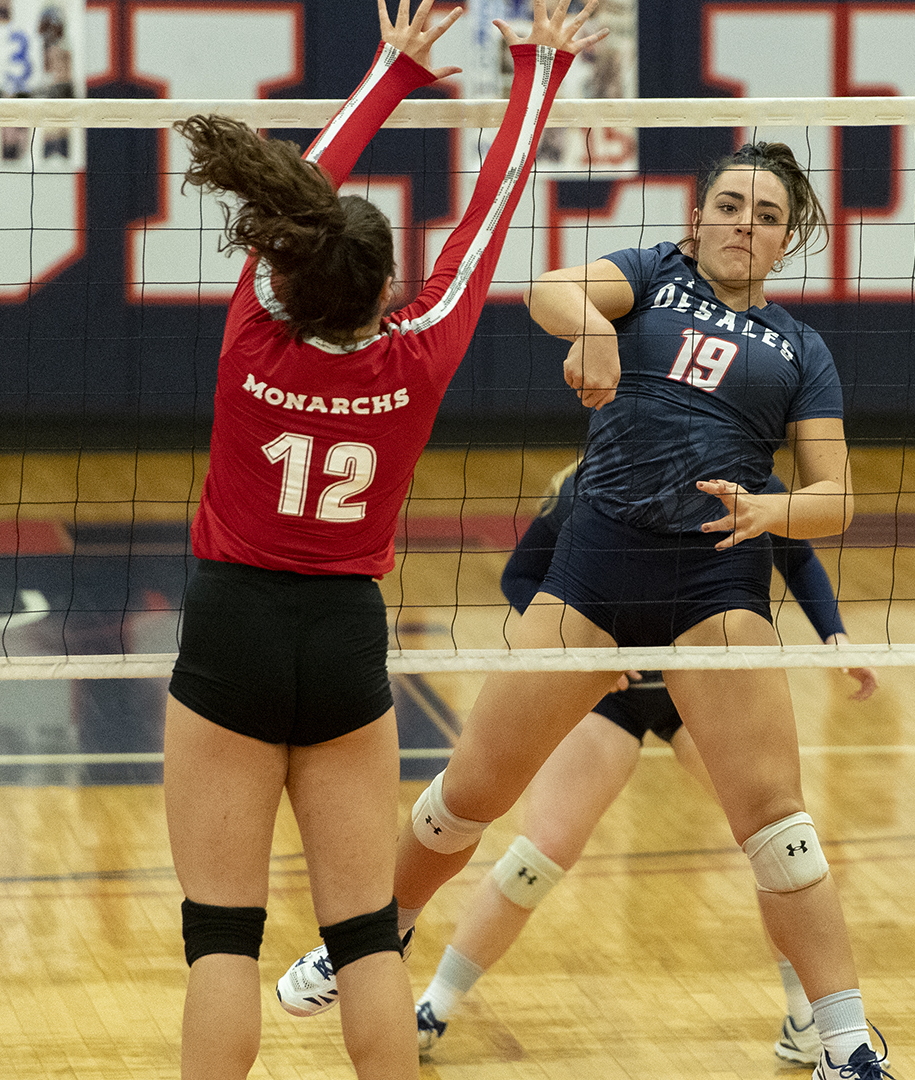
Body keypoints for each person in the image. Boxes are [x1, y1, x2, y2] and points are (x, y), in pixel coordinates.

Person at [279, 141, 896, 1078]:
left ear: (788, 242)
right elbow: (547, 289)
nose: (745, 224)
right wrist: (597, 331)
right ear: (698, 216)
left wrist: (774, 513)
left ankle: (846, 1047)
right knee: (469, 795)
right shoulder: (649, 274)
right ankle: (368, 939)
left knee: (781, 830)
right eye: (731, 205)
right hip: (594, 570)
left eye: (768, 216)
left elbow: (836, 497)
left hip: (715, 584)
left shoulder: (800, 350)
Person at [159, 3, 600, 1078]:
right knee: (364, 940)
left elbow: (294, 189)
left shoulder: (252, 332)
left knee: (222, 939)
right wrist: (538, 68)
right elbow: (492, 208)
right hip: (344, 637)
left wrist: (392, 70)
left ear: (282, 270)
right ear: (389, 286)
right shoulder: (419, 354)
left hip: (230, 626)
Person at [275, 462, 879, 1066]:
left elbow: (797, 556)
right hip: (610, 692)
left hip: (703, 689)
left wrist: (836, 636)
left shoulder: (746, 475)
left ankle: (808, 1020)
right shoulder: (596, 483)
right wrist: (583, 651)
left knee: (775, 849)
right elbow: (521, 575)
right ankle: (435, 1006)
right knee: (538, 857)